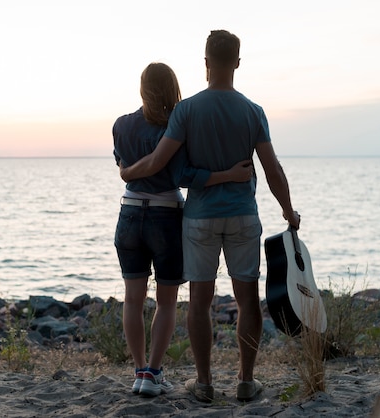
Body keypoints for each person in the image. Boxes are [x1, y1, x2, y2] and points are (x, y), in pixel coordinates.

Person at [120, 31, 300, 403]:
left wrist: (127, 172)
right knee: (247, 299)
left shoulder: (186, 111)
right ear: (236, 63)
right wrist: (288, 211)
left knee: (199, 300)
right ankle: (246, 381)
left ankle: (203, 384)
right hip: (242, 216)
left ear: (205, 64)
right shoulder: (253, 111)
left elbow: (167, 167)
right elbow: (272, 170)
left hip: (199, 217)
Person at [113, 62, 253, 397]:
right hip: (166, 215)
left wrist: (128, 172)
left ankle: (138, 371)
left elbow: (123, 167)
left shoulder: (121, 125)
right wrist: (229, 175)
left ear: (142, 88)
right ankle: (154, 372)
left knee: (132, 300)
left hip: (130, 213)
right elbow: (181, 174)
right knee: (166, 300)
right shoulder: (176, 123)